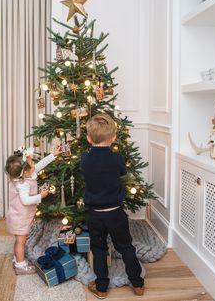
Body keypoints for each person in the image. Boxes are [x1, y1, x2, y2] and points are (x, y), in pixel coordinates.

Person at [80, 113, 145, 299]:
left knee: (99, 249)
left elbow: (84, 171)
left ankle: (101, 287)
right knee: (126, 247)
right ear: (114, 137)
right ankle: (138, 284)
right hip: (116, 213)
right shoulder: (117, 158)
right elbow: (122, 171)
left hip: (95, 215)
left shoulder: (85, 159)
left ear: (88, 138)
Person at [5, 145, 61, 275]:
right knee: (21, 241)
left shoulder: (25, 175)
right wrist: (40, 196)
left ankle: (17, 258)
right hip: (20, 217)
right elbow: (26, 201)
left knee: (20, 240)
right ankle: (20, 265)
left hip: (21, 215)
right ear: (25, 172)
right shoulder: (22, 184)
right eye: (31, 163)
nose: (34, 164)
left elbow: (40, 164)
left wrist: (53, 155)